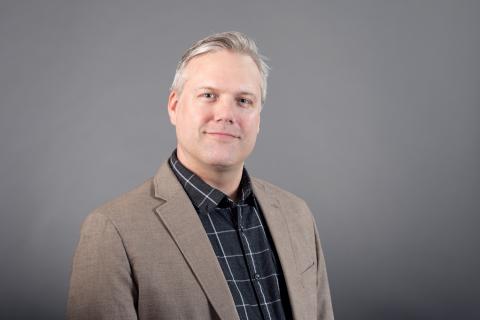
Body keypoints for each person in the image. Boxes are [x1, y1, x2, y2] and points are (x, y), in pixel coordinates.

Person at [67, 31, 334, 320]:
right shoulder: (113, 232)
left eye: (244, 101)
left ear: (259, 118)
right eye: (208, 95)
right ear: (174, 106)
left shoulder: (297, 215)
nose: (225, 114)